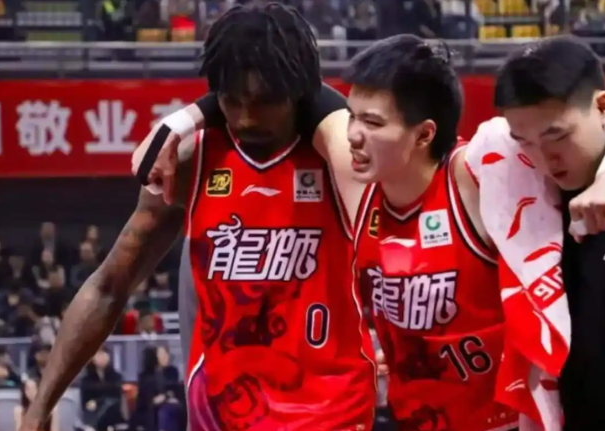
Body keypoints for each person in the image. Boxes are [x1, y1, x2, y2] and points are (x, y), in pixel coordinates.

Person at [20, 4, 375, 431]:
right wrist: (39, 408)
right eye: (231, 101)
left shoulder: (338, 155)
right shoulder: (191, 159)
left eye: (264, 102)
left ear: (299, 92)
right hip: (223, 415)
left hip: (329, 413)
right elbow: (109, 286)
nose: (246, 118)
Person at [344, 34, 605, 431]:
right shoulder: (527, 172)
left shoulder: (481, 172)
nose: (544, 157)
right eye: (351, 117)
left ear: (425, 133)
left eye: (373, 122)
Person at [493, 35, 605, 431]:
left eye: (558, 136)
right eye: (526, 143)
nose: (545, 158)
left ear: (603, 107)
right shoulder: (521, 185)